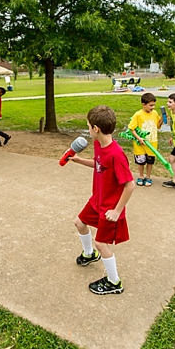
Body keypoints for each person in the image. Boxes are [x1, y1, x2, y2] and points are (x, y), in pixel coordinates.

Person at [70, 105, 135, 295]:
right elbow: (99, 164)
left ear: (96, 129)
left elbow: (130, 185)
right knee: (79, 223)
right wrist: (80, 160)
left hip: (109, 207)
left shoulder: (117, 154)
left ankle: (114, 282)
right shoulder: (99, 144)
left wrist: (117, 210)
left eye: (89, 126)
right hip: (97, 200)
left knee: (101, 243)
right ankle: (90, 254)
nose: (88, 129)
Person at [128, 92, 162, 187]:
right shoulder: (138, 115)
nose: (153, 107)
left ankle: (148, 177)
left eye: (154, 105)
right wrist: (139, 138)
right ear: (144, 104)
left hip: (152, 143)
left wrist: (163, 119)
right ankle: (141, 176)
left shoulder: (154, 113)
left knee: (150, 161)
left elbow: (158, 126)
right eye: (151, 105)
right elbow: (131, 128)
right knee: (141, 162)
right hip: (140, 145)